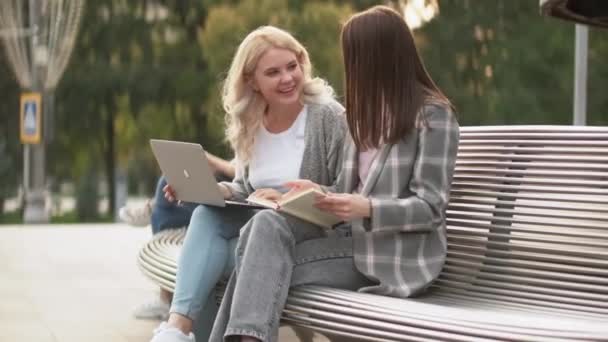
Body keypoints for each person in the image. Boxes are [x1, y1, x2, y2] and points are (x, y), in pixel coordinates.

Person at [208, 5, 460, 342]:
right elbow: (345, 189)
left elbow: (430, 208)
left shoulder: (432, 117)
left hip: (393, 258)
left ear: (381, 57)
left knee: (256, 268)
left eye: (355, 56)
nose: (351, 66)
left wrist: (367, 208)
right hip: (349, 246)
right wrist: (313, 193)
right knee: (264, 225)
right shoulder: (365, 114)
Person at [149, 25, 347, 342]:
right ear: (252, 81)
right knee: (205, 215)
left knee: (212, 265)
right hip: (256, 230)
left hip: (307, 238)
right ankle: (176, 329)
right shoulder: (252, 121)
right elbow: (244, 187)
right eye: (273, 72)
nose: (287, 78)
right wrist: (210, 191)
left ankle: (177, 332)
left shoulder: (328, 117)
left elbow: (345, 194)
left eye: (292, 66)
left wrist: (286, 199)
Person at [127, 153, 235, 320]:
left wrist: (208, 159)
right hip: (231, 190)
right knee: (170, 178)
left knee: (172, 204)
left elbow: (241, 171)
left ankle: (151, 209)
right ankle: (154, 208)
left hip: (241, 202)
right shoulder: (255, 133)